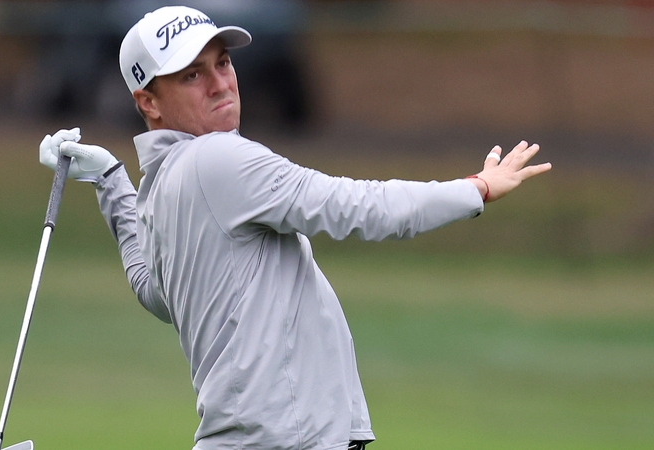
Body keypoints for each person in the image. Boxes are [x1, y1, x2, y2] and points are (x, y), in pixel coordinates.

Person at [38, 6, 552, 450]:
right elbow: (356, 206)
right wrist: (475, 188)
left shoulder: (159, 186)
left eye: (223, 62)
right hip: (287, 436)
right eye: (192, 75)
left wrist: (110, 179)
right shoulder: (220, 160)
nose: (221, 83)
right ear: (148, 102)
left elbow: (155, 292)